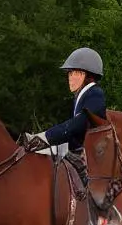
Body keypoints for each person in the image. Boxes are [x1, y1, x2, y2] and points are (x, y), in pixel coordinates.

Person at [21, 47, 106, 182]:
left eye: (73, 73)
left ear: (85, 74)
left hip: (90, 157)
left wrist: (46, 137)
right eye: (69, 74)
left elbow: (79, 124)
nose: (69, 78)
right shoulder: (80, 96)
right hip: (75, 148)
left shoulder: (95, 94)